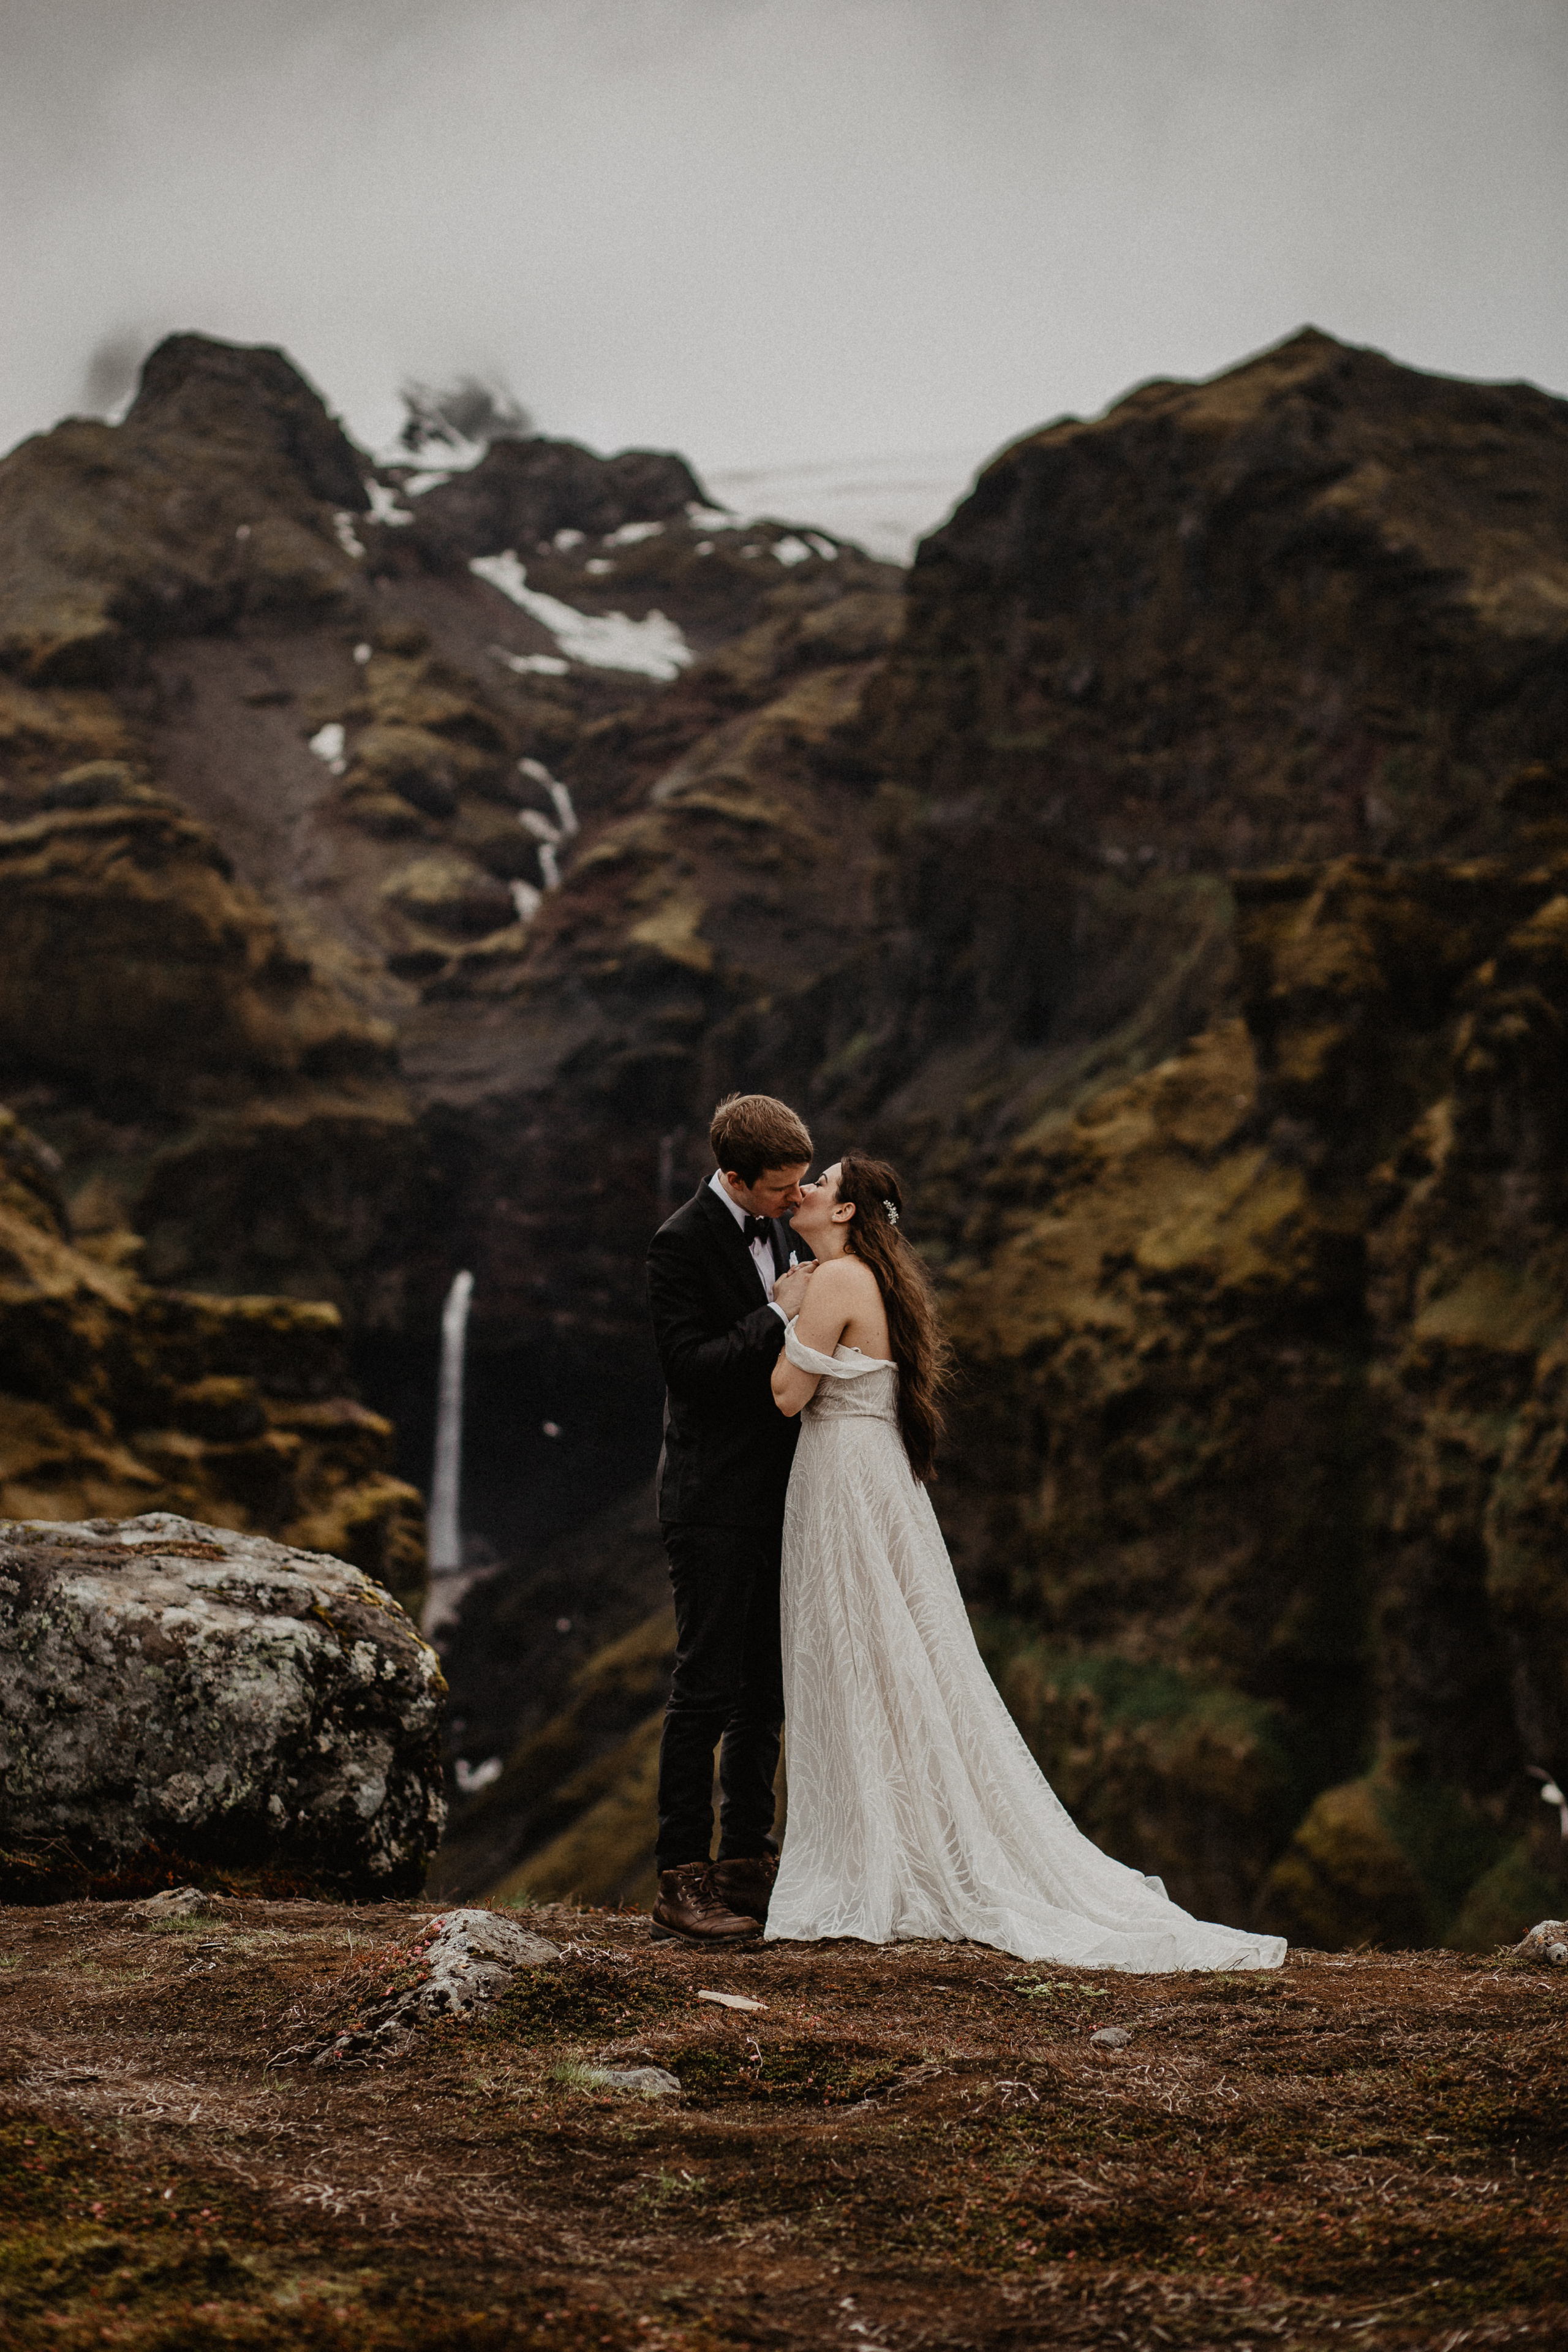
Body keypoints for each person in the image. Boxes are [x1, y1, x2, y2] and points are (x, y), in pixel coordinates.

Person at [766, 1150, 1286, 1971]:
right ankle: (892, 1835)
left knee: (859, 1651)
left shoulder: (830, 1281)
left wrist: (782, 1310)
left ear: (845, 1213)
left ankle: (876, 1854)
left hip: (846, 1484)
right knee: (887, 1655)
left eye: (820, 1184)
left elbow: (788, 1395)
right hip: (875, 1479)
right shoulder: (872, 1277)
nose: (803, 1191)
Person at [644, 1092, 817, 1944]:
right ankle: (682, 1880)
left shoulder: (779, 1230)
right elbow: (693, 1367)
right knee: (705, 1689)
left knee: (765, 1692)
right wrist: (780, 1313)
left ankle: (748, 1862)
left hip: (774, 1496)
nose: (797, 1199)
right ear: (736, 1177)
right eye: (784, 1188)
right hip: (710, 1500)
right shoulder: (679, 1243)